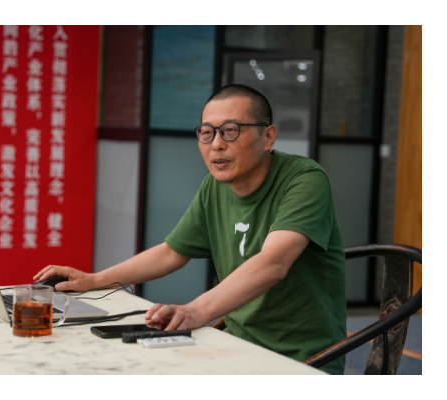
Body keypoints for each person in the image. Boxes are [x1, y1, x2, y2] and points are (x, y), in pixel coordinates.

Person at [34, 84, 347, 374]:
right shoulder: (215, 186)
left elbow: (273, 264)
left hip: (301, 358)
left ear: (268, 136)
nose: (217, 144)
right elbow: (172, 252)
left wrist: (196, 310)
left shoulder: (304, 180)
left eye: (230, 131)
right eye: (207, 133)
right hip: (235, 344)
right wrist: (93, 280)